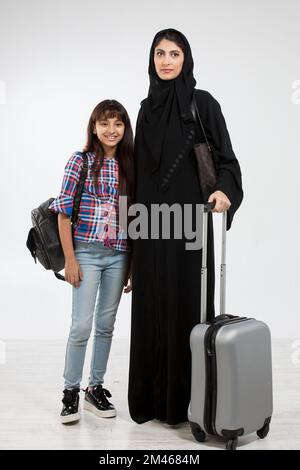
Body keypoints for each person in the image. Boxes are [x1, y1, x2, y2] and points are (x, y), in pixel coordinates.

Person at [128, 28, 244, 425]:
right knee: (150, 311)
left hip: (189, 227)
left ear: (186, 59)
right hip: (147, 227)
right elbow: (137, 175)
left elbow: (227, 160)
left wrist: (225, 192)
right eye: (159, 53)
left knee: (187, 309)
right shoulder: (144, 111)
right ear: (151, 60)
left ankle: (188, 404)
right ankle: (152, 404)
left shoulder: (202, 104)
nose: (166, 60)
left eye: (174, 53)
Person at [49, 99, 134, 424]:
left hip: (118, 255)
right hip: (85, 252)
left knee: (105, 325)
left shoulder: (130, 164)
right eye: (105, 123)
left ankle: (94, 388)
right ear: (94, 127)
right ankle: (70, 391)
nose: (111, 130)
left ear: (125, 129)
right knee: (81, 325)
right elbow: (63, 211)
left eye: (118, 124)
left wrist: (132, 266)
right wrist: (70, 259)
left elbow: (134, 217)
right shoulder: (80, 161)